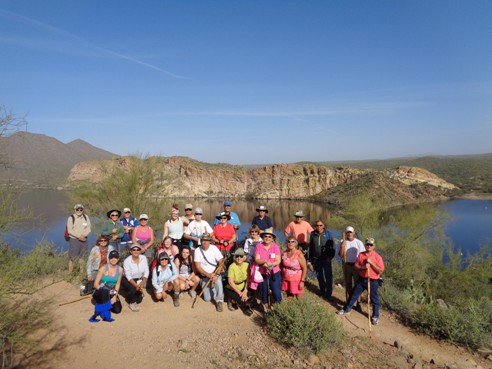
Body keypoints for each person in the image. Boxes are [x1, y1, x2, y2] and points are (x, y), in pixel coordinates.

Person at [337, 238, 385, 325]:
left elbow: (380, 271)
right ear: (365, 245)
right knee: (353, 295)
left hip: (373, 281)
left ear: (374, 246)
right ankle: (346, 309)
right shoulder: (361, 255)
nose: (369, 246)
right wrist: (363, 267)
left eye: (371, 245)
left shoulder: (377, 257)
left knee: (374, 299)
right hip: (362, 279)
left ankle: (375, 316)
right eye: (367, 245)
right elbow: (356, 266)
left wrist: (371, 263)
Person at [193, 233, 225, 312]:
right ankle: (215, 289)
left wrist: (216, 274)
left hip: (215, 273)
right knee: (207, 299)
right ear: (201, 241)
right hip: (205, 276)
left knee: (218, 282)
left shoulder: (214, 248)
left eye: (207, 240)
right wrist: (208, 275)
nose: (205, 242)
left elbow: (221, 261)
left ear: (210, 241)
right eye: (203, 240)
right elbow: (198, 267)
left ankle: (219, 301)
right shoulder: (197, 251)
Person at [254, 230, 282, 312]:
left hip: (274, 272)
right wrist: (264, 262)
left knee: (276, 291)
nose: (267, 238)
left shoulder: (275, 246)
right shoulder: (259, 246)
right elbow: (257, 259)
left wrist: (270, 264)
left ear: (272, 238)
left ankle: (279, 307)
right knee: (264, 291)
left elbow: (278, 260)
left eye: (269, 236)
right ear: (262, 237)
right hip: (262, 272)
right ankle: (265, 307)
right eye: (265, 236)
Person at [308, 220, 336, 300]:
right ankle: (322, 291)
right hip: (316, 260)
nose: (319, 227)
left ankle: (329, 294)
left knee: (328, 277)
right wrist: (310, 259)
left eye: (321, 225)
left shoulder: (327, 234)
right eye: (317, 225)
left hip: (326, 260)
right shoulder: (313, 234)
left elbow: (333, 247)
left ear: (323, 226)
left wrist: (330, 257)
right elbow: (311, 247)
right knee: (319, 276)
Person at [338, 226, 365, 304]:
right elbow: (340, 255)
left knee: (358, 285)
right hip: (346, 265)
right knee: (348, 283)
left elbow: (362, 256)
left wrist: (362, 266)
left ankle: (358, 302)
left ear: (354, 233)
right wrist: (343, 246)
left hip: (356, 266)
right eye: (348, 232)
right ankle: (350, 301)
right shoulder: (342, 241)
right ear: (346, 233)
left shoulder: (358, 242)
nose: (349, 234)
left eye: (351, 232)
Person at [224, 248, 253, 316]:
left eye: (241, 256)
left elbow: (248, 279)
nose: (239, 258)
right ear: (234, 257)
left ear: (244, 257)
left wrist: (245, 291)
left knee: (251, 294)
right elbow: (230, 282)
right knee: (242, 299)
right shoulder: (232, 266)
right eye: (237, 256)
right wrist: (241, 293)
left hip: (243, 286)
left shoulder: (247, 265)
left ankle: (237, 301)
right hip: (232, 288)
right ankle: (231, 300)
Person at [94, 249, 123, 314]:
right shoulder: (103, 268)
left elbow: (117, 284)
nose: (113, 259)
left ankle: (106, 303)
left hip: (112, 290)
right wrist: (106, 292)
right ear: (109, 259)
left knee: (118, 310)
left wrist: (115, 296)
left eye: (115, 257)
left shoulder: (120, 270)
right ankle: (100, 302)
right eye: (111, 258)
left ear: (118, 259)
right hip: (102, 289)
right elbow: (95, 284)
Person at [121, 244, 149, 312]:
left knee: (139, 300)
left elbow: (146, 271)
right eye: (134, 250)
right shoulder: (127, 261)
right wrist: (137, 286)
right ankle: (132, 303)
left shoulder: (143, 258)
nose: (136, 251)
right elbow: (128, 276)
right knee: (132, 288)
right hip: (128, 279)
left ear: (140, 251)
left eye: (138, 249)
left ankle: (129, 294)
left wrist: (143, 282)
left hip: (139, 279)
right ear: (131, 251)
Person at [67, 203, 92, 273]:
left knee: (83, 256)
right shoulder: (71, 218)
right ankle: (70, 273)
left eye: (81, 209)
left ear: (83, 210)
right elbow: (70, 230)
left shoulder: (85, 217)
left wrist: (83, 235)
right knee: (72, 257)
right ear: (75, 209)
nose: (79, 210)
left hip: (84, 239)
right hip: (74, 240)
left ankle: (82, 272)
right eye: (77, 209)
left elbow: (89, 228)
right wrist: (79, 236)